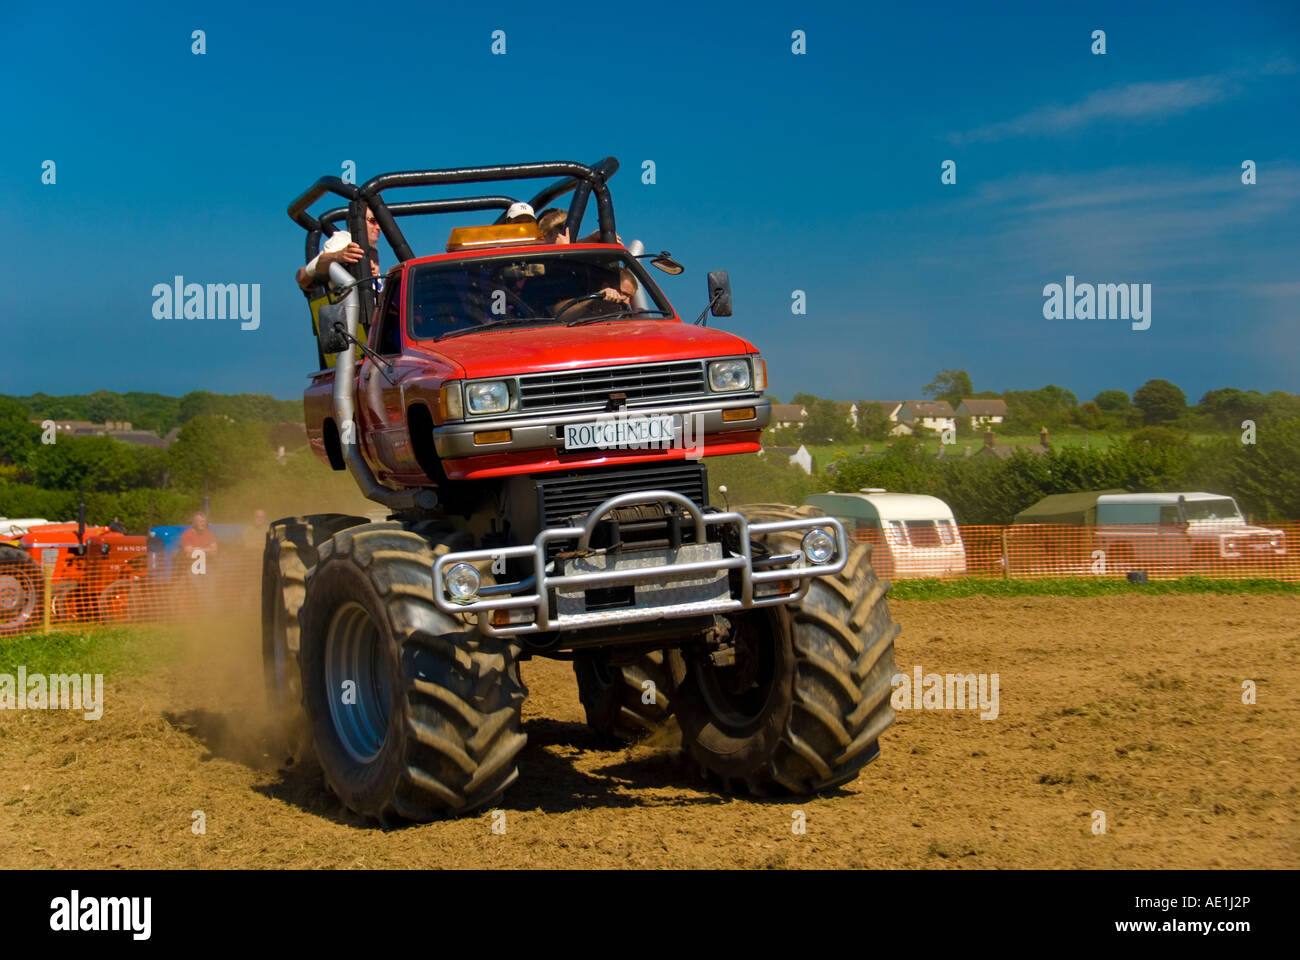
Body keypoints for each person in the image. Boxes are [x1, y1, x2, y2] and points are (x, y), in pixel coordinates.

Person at [296, 206, 382, 292]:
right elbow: (318, 264)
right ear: (355, 223)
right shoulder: (344, 239)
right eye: (373, 221)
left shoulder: (373, 249)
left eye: (380, 223)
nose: (378, 228)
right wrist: (338, 256)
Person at [555, 268, 639, 321]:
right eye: (623, 293)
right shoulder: (582, 309)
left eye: (630, 297)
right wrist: (595, 297)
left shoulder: (629, 318)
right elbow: (557, 314)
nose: (627, 302)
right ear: (605, 286)